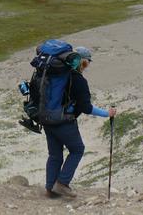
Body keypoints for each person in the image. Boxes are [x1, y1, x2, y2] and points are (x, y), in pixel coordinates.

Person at [44, 46, 117, 198]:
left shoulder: (57, 75)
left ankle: (50, 188)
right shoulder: (78, 80)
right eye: (88, 62)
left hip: (46, 118)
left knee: (55, 155)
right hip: (64, 121)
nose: (88, 66)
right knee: (77, 149)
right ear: (82, 62)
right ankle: (62, 184)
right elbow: (86, 107)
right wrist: (107, 113)